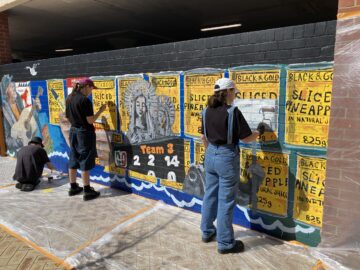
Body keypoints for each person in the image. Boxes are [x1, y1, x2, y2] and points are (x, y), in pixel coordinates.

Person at [200, 78, 264, 254]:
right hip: (226, 158)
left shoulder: (206, 111)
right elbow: (246, 138)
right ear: (227, 92)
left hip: (210, 155)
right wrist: (259, 132)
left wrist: (212, 154)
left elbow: (203, 137)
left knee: (210, 195)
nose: (235, 94)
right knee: (225, 202)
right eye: (234, 91)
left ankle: (206, 232)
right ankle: (226, 243)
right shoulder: (232, 112)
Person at [65, 78, 106, 201]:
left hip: (73, 131)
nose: (91, 91)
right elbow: (90, 120)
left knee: (73, 156)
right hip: (84, 132)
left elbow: (67, 116)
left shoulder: (70, 98)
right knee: (84, 159)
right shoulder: (85, 101)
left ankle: (73, 187)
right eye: (92, 88)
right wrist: (101, 111)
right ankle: (87, 190)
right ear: (86, 86)